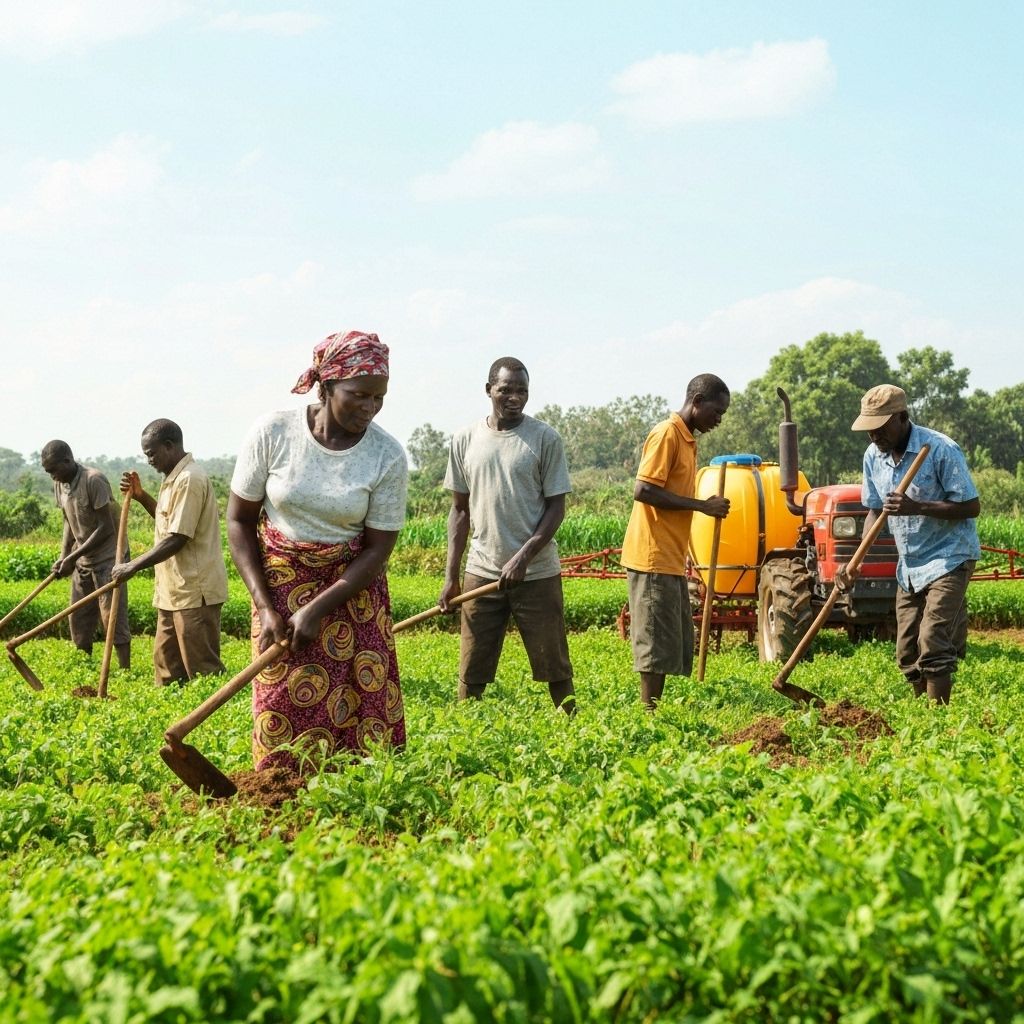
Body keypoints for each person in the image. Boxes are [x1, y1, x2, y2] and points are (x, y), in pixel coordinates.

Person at [227, 331, 408, 772]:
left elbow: (378, 548)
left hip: (352, 592)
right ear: (325, 386)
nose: (370, 407)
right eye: (359, 395)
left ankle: (354, 796)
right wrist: (265, 607)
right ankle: (277, 789)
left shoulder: (386, 455)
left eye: (379, 398)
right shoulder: (274, 432)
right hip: (278, 589)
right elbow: (239, 521)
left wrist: (318, 608)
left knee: (357, 705)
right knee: (278, 702)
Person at [439, 356, 575, 714]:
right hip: (482, 570)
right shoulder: (465, 439)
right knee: (472, 668)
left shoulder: (545, 438)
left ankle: (573, 728)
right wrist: (451, 577)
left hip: (537, 572)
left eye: (522, 391)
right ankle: (467, 731)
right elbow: (459, 511)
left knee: (555, 664)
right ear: (489, 390)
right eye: (505, 390)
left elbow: (556, 508)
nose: (515, 398)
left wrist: (524, 557)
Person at [841, 384, 980, 705]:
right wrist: (856, 561)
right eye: (869, 429)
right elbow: (874, 510)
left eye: (880, 427)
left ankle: (937, 718)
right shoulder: (873, 456)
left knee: (933, 639)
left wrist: (917, 507)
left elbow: (971, 506)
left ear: (902, 417)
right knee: (906, 650)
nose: (874, 435)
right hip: (910, 565)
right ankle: (920, 715)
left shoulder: (940, 448)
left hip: (949, 557)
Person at [620, 374, 731, 710]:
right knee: (653, 641)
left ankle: (655, 708)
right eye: (716, 411)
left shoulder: (687, 441)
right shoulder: (667, 434)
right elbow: (643, 490)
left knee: (668, 639)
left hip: (669, 556)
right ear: (696, 401)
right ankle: (648, 714)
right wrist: (702, 506)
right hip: (651, 556)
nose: (719, 419)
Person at [112, 420, 229, 686]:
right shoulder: (172, 479)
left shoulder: (190, 479)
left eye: (151, 453)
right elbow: (168, 522)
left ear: (169, 445)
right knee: (167, 667)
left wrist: (132, 566)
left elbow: (178, 538)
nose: (149, 460)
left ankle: (210, 710)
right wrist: (141, 496)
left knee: (202, 670)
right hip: (171, 591)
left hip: (194, 591)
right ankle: (171, 710)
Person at [39, 440, 131, 669]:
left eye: (54, 470)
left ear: (67, 461)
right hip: (83, 560)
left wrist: (72, 557)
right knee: (78, 617)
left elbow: (106, 528)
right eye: (48, 472)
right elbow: (68, 522)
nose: (52, 476)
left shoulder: (93, 480)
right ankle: (84, 667)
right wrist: (64, 555)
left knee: (112, 617)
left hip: (110, 559)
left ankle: (125, 670)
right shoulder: (60, 484)